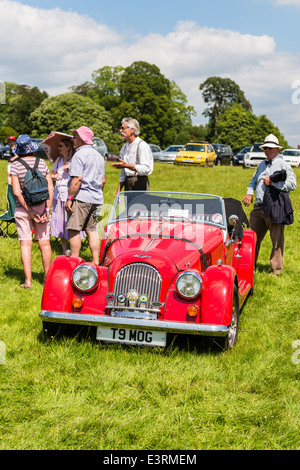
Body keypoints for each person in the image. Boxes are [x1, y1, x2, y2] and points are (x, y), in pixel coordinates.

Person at [242, 133, 296, 275]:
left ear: (277, 149)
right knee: (251, 239)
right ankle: (248, 267)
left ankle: (276, 270)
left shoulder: (284, 165)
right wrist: (249, 192)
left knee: (277, 241)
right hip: (258, 207)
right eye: (265, 148)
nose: (267, 150)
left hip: (275, 206)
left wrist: (274, 182)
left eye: (270, 148)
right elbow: (253, 181)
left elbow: (292, 184)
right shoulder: (261, 164)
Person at [10, 134, 54, 288]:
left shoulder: (15, 165)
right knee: (45, 243)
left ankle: (28, 281)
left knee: (25, 244)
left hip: (23, 209)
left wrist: (29, 211)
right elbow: (50, 187)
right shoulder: (42, 163)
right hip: (42, 208)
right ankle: (47, 279)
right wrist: (47, 208)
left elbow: (16, 191)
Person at [65, 126, 105, 263]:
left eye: (75, 136)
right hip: (97, 198)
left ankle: (74, 261)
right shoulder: (99, 155)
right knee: (92, 230)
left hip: (81, 198)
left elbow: (77, 179)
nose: (73, 139)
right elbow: (103, 180)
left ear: (82, 139)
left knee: (74, 230)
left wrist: (69, 199)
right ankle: (95, 261)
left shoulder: (79, 155)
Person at [50, 137, 85, 254]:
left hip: (69, 195)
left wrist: (70, 169)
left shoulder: (75, 160)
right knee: (60, 222)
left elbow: (80, 176)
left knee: (71, 223)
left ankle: (75, 249)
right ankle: (65, 250)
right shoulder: (59, 160)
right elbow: (52, 174)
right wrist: (53, 176)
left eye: (61, 146)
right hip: (58, 195)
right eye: (58, 146)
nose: (58, 148)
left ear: (68, 147)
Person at [112, 117, 153, 194]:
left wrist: (127, 166)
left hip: (140, 183)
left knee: (141, 206)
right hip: (128, 183)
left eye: (123, 128)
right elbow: (123, 173)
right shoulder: (124, 147)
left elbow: (146, 168)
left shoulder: (142, 145)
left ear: (132, 130)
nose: (120, 131)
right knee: (128, 206)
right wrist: (118, 191)